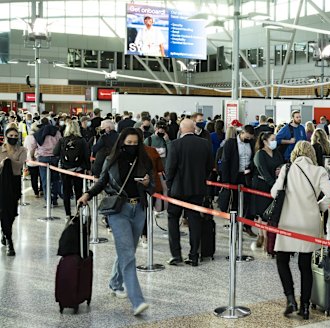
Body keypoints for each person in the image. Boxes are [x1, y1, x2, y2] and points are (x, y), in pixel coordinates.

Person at [78, 128, 154, 316]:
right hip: (118, 210)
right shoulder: (110, 160)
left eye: (135, 143)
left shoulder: (144, 159)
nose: (131, 146)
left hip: (139, 209)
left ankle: (114, 282)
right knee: (128, 254)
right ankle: (137, 301)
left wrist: (147, 183)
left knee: (128, 250)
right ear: (121, 142)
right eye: (128, 143)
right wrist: (88, 194)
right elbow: (102, 181)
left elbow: (153, 185)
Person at [271, 141, 330, 319]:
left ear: (295, 153)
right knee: (305, 265)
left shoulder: (287, 168)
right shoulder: (319, 171)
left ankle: (290, 298)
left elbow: (274, 192)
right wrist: (320, 207)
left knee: (282, 260)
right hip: (309, 222)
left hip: (288, 222)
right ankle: (305, 307)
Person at [165, 119, 213, 266]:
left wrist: (169, 185)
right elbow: (209, 166)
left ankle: (176, 254)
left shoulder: (175, 144)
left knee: (173, 219)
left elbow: (170, 169)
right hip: (197, 189)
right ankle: (193, 255)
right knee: (194, 221)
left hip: (177, 191)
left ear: (181, 129)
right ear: (194, 129)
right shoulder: (205, 144)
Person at [221, 125, 257, 237]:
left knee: (248, 201)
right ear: (242, 133)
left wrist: (250, 168)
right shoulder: (231, 143)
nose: (249, 139)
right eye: (247, 136)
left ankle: (247, 225)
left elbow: (253, 158)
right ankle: (234, 224)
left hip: (247, 175)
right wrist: (225, 181)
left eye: (251, 137)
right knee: (234, 201)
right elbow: (225, 161)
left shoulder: (251, 143)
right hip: (234, 175)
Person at [251, 132, 284, 249]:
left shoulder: (276, 152)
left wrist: (280, 170)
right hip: (262, 186)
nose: (275, 141)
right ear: (265, 141)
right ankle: (264, 240)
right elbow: (264, 172)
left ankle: (265, 239)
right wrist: (274, 185)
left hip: (274, 186)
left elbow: (282, 164)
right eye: (272, 139)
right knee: (263, 214)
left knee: (269, 214)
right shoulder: (260, 154)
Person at [53, 121, 90, 219]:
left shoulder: (62, 140)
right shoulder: (82, 141)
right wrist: (88, 168)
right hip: (78, 170)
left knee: (66, 191)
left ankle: (68, 214)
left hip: (65, 170)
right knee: (78, 191)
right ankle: (78, 213)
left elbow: (55, 152)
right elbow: (87, 155)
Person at [0, 127, 27, 256]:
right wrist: (2, 164)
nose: (13, 137)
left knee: (11, 213)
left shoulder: (22, 150)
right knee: (3, 211)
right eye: (11, 135)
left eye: (16, 135)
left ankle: (5, 231)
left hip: (14, 184)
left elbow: (19, 165)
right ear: (6, 136)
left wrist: (9, 161)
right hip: (1, 184)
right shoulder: (1, 150)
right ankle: (9, 240)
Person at [29, 118, 62, 207]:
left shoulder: (37, 134)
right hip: (55, 158)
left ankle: (48, 200)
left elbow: (33, 147)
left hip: (43, 158)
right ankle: (54, 199)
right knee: (55, 179)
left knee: (45, 180)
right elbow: (61, 144)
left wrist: (32, 157)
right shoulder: (57, 132)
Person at [23, 122, 42, 198]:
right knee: (41, 176)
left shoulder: (27, 137)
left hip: (30, 160)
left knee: (33, 177)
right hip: (39, 159)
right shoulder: (39, 137)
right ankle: (41, 190)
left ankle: (36, 192)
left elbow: (25, 148)